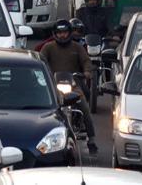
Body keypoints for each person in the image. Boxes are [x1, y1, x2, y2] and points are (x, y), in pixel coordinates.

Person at [40, 20, 98, 153]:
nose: (62, 35)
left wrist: (87, 71)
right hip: (52, 86)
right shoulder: (48, 47)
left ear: (70, 33)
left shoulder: (77, 47)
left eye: (64, 32)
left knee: (84, 107)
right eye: (59, 33)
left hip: (73, 85)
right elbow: (41, 61)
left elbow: (86, 61)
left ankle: (92, 139)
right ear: (55, 34)